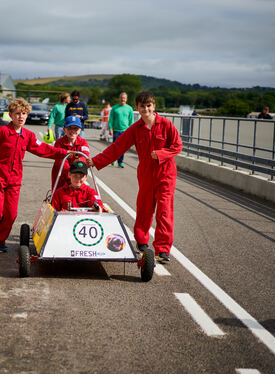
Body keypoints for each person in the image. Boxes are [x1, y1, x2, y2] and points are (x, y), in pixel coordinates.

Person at [87, 92, 182, 263]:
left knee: (165, 211)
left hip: (166, 174)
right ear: (136, 108)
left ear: (154, 107)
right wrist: (95, 161)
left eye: (149, 106)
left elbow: (177, 146)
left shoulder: (166, 125)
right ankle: (142, 241)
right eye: (142, 106)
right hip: (146, 173)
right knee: (145, 208)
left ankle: (163, 249)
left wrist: (161, 154)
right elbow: (117, 148)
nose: (146, 109)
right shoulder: (135, 129)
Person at [0, 98, 69, 252]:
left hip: (14, 180)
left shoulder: (27, 135)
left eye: (23, 114)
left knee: (11, 214)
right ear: (11, 115)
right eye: (17, 114)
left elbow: (43, 149)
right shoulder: (2, 132)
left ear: (27, 115)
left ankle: (0, 240)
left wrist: (64, 153)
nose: (20, 117)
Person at [51, 115, 90, 191]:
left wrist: (78, 164)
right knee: (58, 195)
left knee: (77, 197)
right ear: (64, 129)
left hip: (77, 176)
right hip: (60, 175)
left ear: (80, 130)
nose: (72, 131)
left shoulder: (83, 142)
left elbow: (84, 156)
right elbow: (61, 160)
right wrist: (71, 174)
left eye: (75, 128)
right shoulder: (59, 142)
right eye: (69, 128)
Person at [107, 92, 134, 168]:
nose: (123, 99)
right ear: (119, 98)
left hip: (125, 131)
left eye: (124, 98)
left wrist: (131, 131)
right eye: (121, 98)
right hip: (116, 130)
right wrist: (110, 128)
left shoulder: (129, 108)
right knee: (115, 147)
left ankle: (120, 162)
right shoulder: (115, 108)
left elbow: (131, 121)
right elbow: (111, 119)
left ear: (126, 99)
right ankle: (113, 160)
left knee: (122, 148)